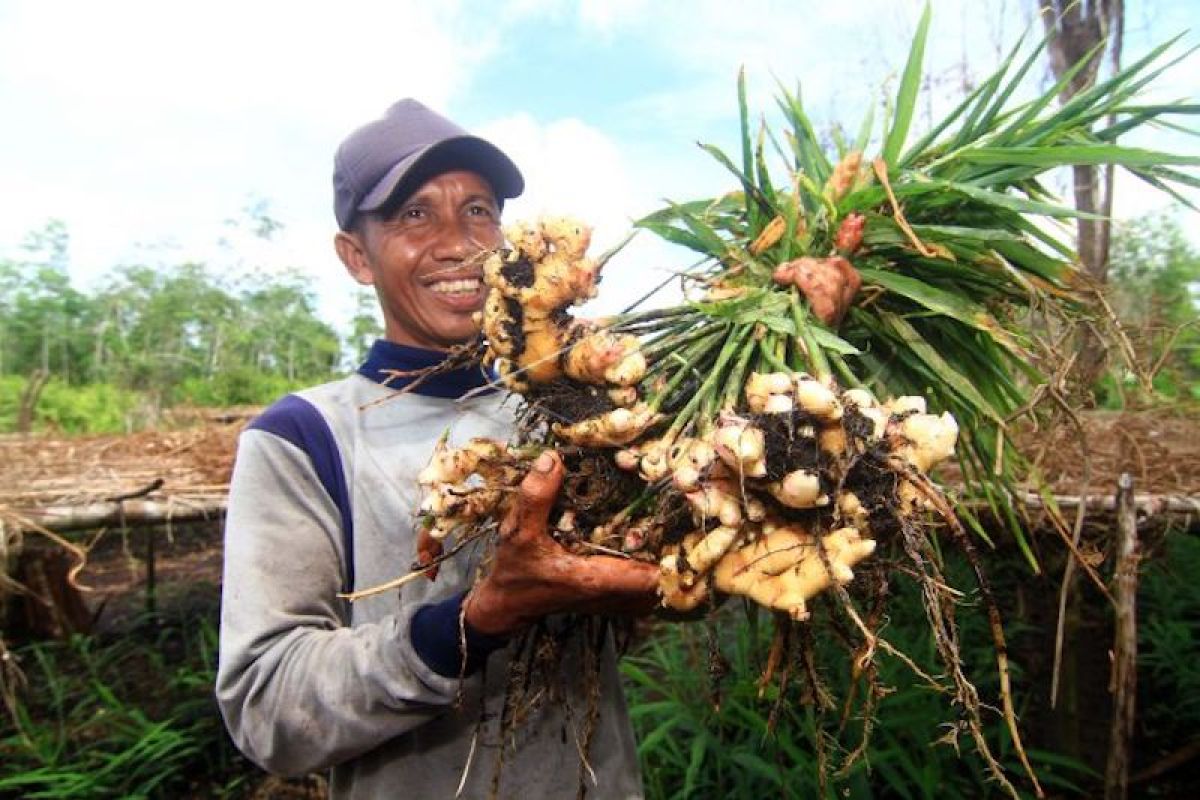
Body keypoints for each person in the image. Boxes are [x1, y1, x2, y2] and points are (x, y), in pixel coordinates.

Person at [216, 99, 857, 799]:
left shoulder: (587, 405)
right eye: (414, 215)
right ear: (355, 256)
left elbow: (685, 567)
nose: (459, 242)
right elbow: (267, 709)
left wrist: (787, 334)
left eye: (479, 210)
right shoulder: (303, 437)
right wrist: (477, 617)